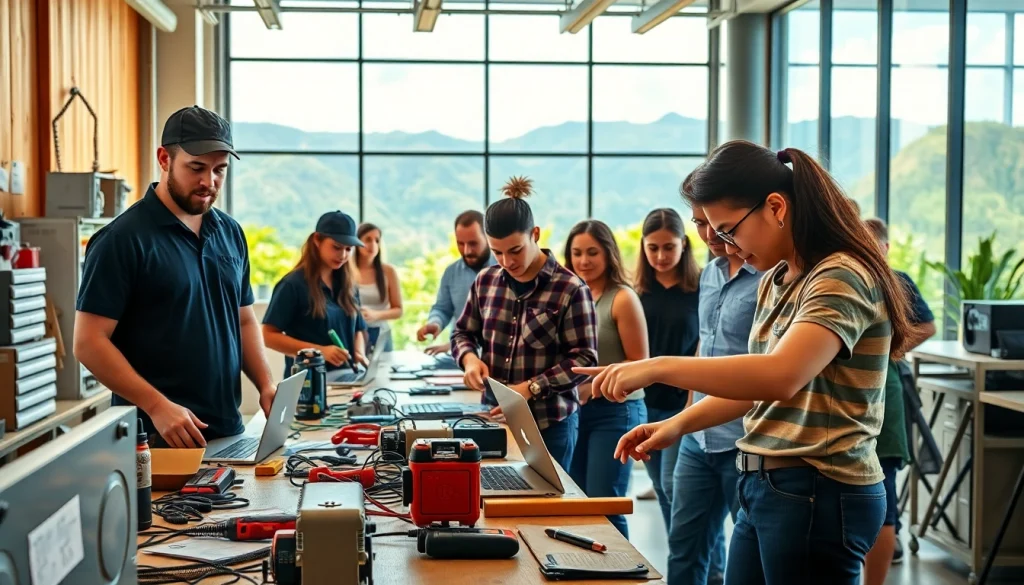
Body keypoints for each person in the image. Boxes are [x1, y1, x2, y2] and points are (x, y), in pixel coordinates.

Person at [576, 140, 917, 585]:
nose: (722, 245)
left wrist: (656, 365)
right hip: (765, 483)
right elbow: (755, 382)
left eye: (727, 229)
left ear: (775, 207)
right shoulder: (777, 277)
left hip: (818, 488)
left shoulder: (840, 275)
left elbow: (781, 376)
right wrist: (678, 424)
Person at [74, 106, 277, 449]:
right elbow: (88, 342)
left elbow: (243, 321)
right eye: (196, 168)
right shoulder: (122, 240)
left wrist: (267, 385)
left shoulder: (230, 232)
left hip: (228, 431)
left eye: (219, 170)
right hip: (153, 438)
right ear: (164, 159)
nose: (208, 182)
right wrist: (156, 406)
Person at [450, 176, 598, 471]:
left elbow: (584, 359)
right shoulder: (486, 280)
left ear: (536, 234)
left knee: (548, 509)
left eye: (515, 250)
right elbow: (462, 332)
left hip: (549, 425)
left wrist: (529, 388)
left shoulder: (570, 288)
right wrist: (468, 360)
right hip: (492, 418)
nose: (506, 261)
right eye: (497, 252)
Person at [666, 200, 763, 585]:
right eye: (699, 224)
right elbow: (705, 348)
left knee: (747, 560)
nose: (710, 235)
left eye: (717, 225)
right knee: (683, 549)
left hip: (745, 436)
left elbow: (768, 367)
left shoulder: (771, 277)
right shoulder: (709, 273)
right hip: (698, 436)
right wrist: (689, 413)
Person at [862, 217, 936, 584]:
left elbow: (927, 324)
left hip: (885, 395)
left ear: (886, 248)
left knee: (883, 491)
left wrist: (890, 350)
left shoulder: (897, 281)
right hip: (860, 396)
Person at [563, 220, 649, 537]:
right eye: (576, 253)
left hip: (616, 412)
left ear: (608, 253)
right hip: (575, 411)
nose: (583, 261)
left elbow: (641, 364)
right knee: (577, 507)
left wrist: (592, 387)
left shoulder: (622, 298)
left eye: (592, 252)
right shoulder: (571, 295)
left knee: (605, 506)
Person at [633, 208, 702, 530]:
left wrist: (691, 400)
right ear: (643, 247)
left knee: (679, 490)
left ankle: (708, 566)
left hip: (683, 404)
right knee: (661, 487)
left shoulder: (700, 289)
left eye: (669, 247)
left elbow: (704, 351)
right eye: (653, 247)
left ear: (684, 245)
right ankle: (701, 560)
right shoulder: (636, 293)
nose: (660, 256)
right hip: (644, 404)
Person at [261, 211, 371, 378]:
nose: (343, 255)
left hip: (346, 379)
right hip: (308, 383)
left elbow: (358, 329)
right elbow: (269, 336)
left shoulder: (349, 284)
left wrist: (358, 352)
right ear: (317, 240)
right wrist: (320, 352)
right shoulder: (292, 284)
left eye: (348, 249)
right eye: (336, 247)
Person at [416, 210, 495, 355]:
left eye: (473, 243)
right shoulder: (451, 273)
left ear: (488, 238)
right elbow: (442, 308)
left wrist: (451, 345)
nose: (466, 251)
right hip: (460, 357)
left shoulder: (506, 269)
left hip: (496, 358)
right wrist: (435, 323)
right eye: (460, 244)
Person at [355, 223, 403, 352]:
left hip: (381, 335)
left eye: (377, 240)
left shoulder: (388, 271)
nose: (373, 245)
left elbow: (398, 310)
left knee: (382, 370)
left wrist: (376, 315)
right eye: (368, 239)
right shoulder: (347, 271)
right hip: (354, 335)